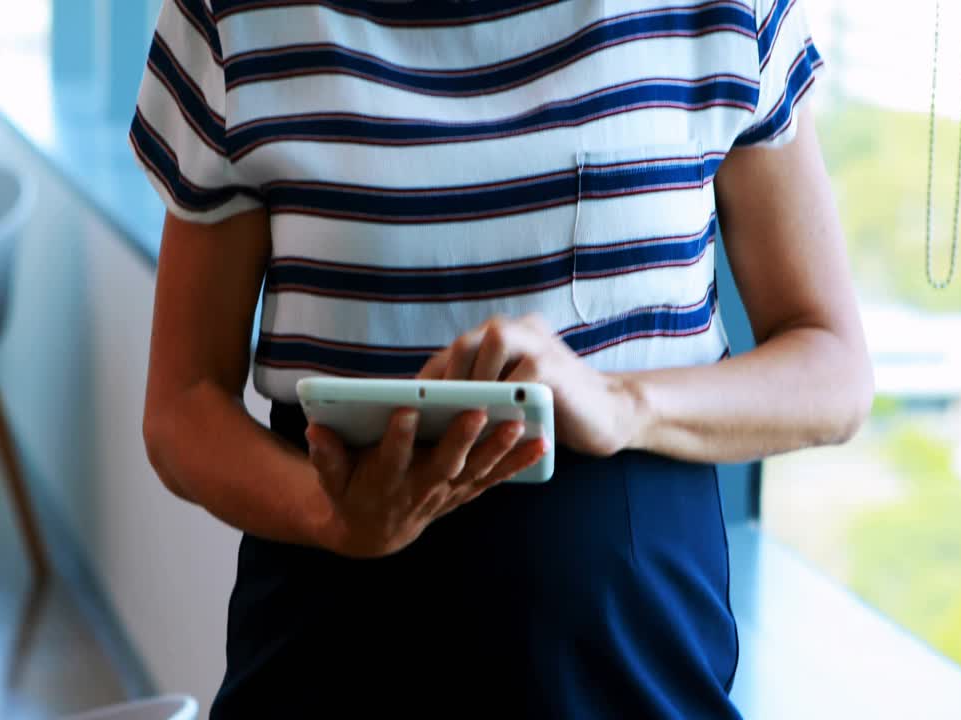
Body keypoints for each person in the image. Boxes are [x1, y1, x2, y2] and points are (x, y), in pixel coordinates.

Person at [132, 0, 873, 716]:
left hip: (635, 660)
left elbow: (833, 369)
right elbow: (182, 405)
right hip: (326, 649)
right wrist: (329, 515)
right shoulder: (232, 13)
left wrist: (621, 404)